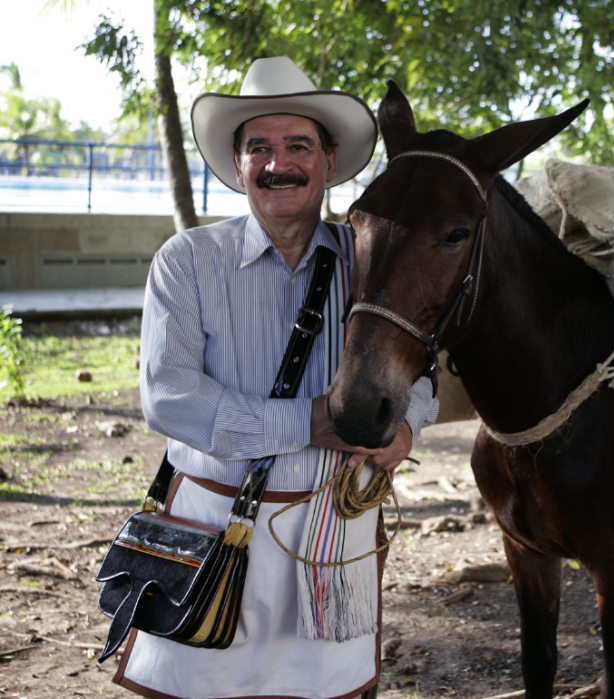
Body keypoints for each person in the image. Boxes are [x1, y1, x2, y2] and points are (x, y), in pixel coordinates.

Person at [115, 56, 439, 699]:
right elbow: (170, 397)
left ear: (329, 158)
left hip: (331, 545)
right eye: (258, 147)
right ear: (237, 164)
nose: (277, 163)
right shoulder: (187, 262)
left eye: (298, 145)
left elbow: (424, 369)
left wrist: (408, 422)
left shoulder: (369, 258)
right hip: (210, 542)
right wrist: (313, 422)